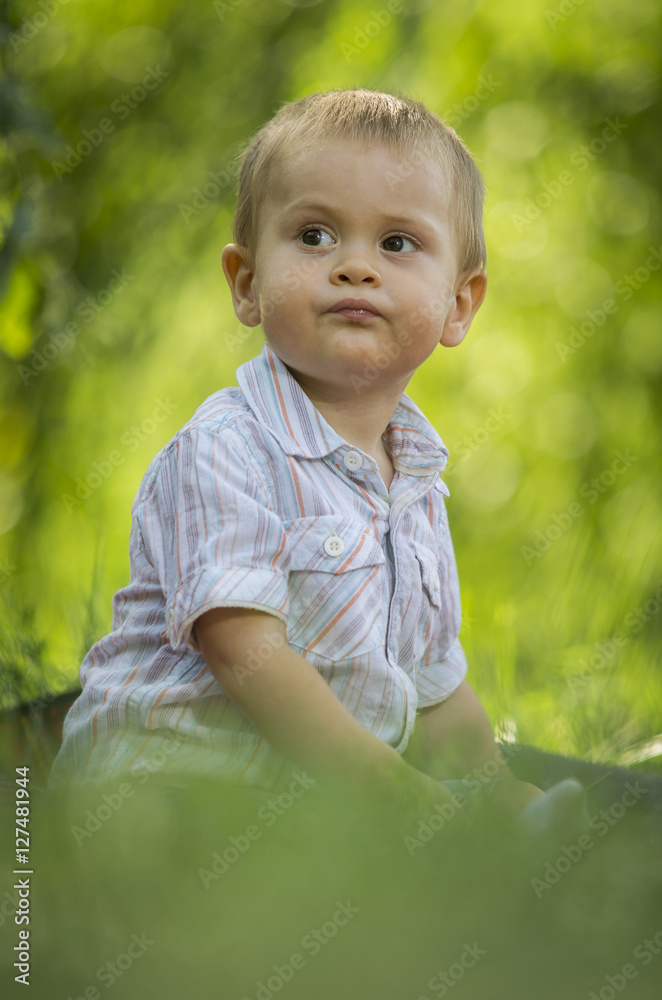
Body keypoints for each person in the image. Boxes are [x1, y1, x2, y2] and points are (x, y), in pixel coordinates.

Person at [48, 88, 585, 833]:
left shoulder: (418, 481)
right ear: (247, 283)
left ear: (459, 305)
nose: (355, 267)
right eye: (314, 236)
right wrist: (387, 789)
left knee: (513, 840)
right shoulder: (227, 449)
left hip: (314, 801)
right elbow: (243, 652)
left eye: (397, 244)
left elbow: (432, 683)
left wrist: (494, 787)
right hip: (167, 788)